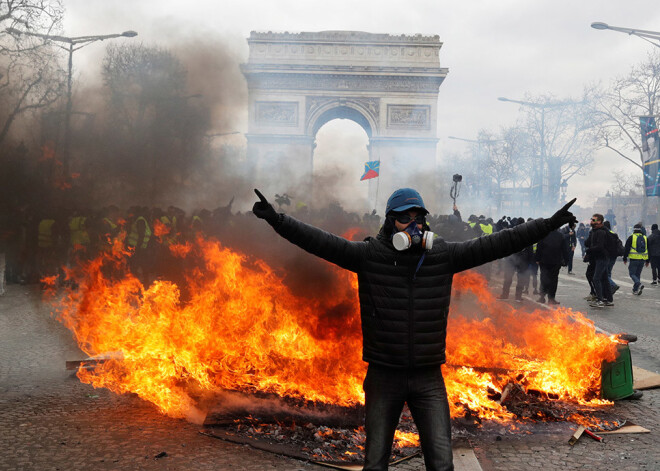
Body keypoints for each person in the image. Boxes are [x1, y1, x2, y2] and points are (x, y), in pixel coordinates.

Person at [252, 187, 577, 471]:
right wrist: (277, 219)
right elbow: (319, 241)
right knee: (375, 463)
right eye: (406, 218)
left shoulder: (443, 255)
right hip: (383, 376)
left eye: (419, 218)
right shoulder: (368, 256)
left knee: (441, 462)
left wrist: (548, 224)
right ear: (390, 221)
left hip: (428, 378)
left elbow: (500, 242)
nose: (415, 225)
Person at [535, 226, 569, 305]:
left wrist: (537, 259)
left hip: (544, 261)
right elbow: (565, 249)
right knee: (553, 280)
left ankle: (542, 297)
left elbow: (539, 247)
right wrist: (566, 261)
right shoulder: (561, 236)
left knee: (544, 278)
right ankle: (551, 298)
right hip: (556, 261)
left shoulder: (543, 235)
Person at [585, 214, 613, 308]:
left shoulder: (601, 232)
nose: (591, 221)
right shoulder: (594, 231)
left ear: (599, 221)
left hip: (602, 258)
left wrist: (589, 250)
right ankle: (609, 300)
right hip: (599, 258)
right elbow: (587, 243)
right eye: (591, 219)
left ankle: (600, 300)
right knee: (604, 279)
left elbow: (600, 246)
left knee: (596, 278)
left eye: (593, 220)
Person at [622, 223, 650, 295]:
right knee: (638, 274)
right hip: (642, 259)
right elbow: (648, 249)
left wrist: (625, 258)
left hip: (634, 259)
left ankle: (638, 284)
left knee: (632, 274)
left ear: (633, 230)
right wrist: (647, 260)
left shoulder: (631, 237)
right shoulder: (645, 238)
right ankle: (635, 290)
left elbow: (627, 248)